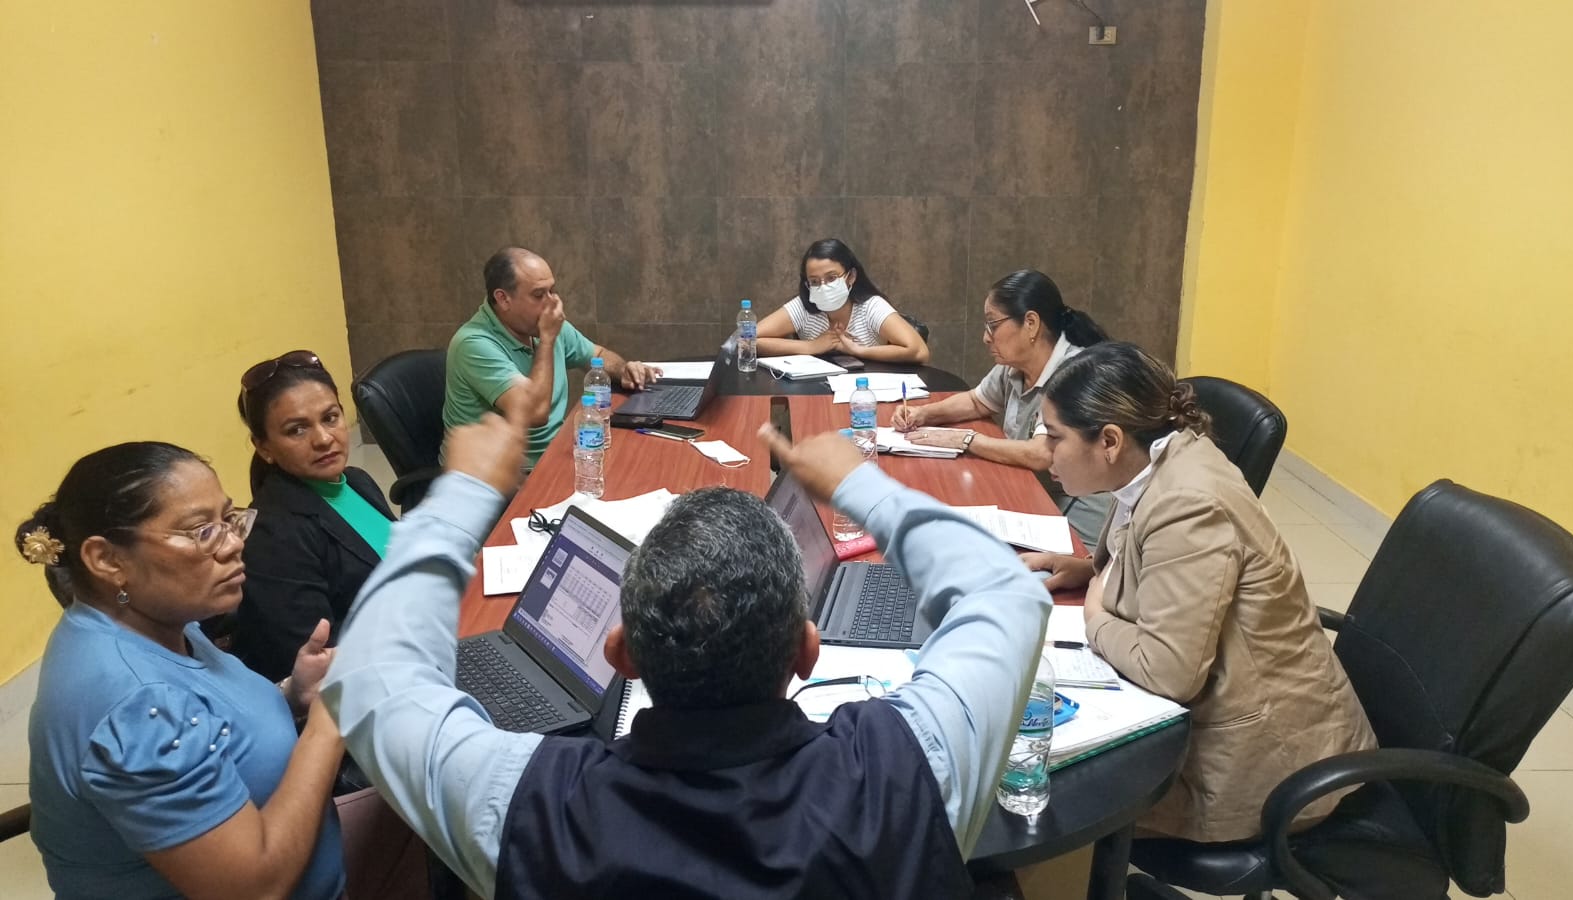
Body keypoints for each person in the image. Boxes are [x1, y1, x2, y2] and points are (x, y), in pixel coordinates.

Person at [320, 406, 1052, 898]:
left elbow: (373, 674)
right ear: (807, 650)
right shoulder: (905, 770)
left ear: (620, 653)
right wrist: (862, 486)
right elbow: (1006, 593)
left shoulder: (532, 807)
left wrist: (462, 497)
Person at [1027, 342, 1377, 842]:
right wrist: (1089, 570)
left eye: (1054, 436)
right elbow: (1158, 558)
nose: (1045, 451)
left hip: (1265, 764)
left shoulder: (1188, 503)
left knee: (1042, 801)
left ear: (1109, 440)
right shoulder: (1155, 459)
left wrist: (1096, 618)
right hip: (1227, 710)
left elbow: (1168, 671)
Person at [16, 442, 346, 899]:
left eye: (229, 519)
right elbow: (255, 889)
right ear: (108, 559)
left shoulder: (151, 619)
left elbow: (207, 717)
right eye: (201, 531)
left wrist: (292, 694)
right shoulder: (136, 705)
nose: (234, 543)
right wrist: (330, 724)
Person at [891, 269, 1114, 561]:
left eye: (993, 324)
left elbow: (1041, 454)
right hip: (1034, 499)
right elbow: (976, 401)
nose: (986, 337)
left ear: (1031, 324)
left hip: (1076, 520)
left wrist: (967, 440)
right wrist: (922, 414)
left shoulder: (1073, 373)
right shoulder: (1014, 366)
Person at [231, 349, 396, 683]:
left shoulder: (357, 482)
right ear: (264, 447)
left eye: (330, 418)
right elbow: (316, 659)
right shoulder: (273, 535)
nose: (323, 439)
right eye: (297, 430)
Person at [444, 247, 662, 467]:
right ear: (503, 299)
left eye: (552, 291)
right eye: (539, 295)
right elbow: (535, 413)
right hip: (497, 474)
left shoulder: (540, 323)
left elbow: (597, 355)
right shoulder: (473, 344)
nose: (553, 303)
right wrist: (547, 340)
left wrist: (623, 369)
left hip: (554, 455)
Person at [755, 238, 930, 364]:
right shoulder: (803, 307)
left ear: (851, 276)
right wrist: (810, 347)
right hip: (816, 395)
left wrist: (858, 351)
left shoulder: (871, 307)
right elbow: (747, 340)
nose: (823, 286)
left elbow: (919, 352)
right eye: (814, 281)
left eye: (831, 278)